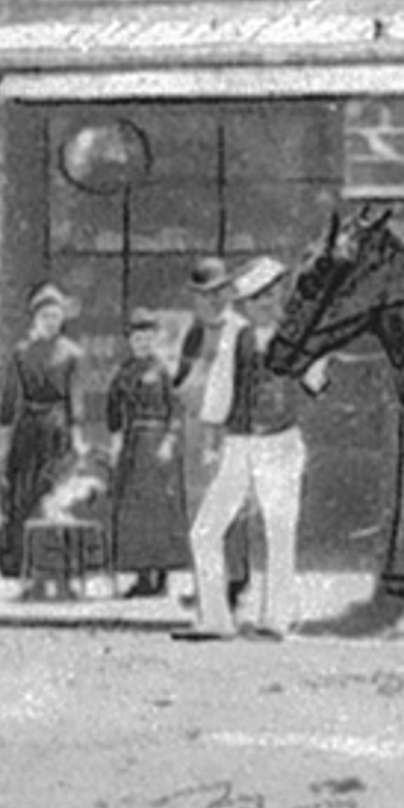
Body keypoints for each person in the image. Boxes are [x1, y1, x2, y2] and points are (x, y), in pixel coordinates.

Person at [177, 256, 324, 642]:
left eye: (270, 296)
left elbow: (317, 381)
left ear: (280, 297)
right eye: (255, 298)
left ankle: (276, 619)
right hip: (240, 444)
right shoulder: (235, 336)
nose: (264, 304)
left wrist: (314, 345)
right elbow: (221, 387)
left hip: (281, 443)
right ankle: (215, 619)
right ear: (244, 304)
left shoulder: (299, 335)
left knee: (278, 529)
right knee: (205, 531)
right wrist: (212, 437)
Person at [172, 256, 251, 612]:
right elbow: (181, 376)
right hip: (195, 427)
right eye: (204, 295)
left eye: (218, 293)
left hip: (228, 428)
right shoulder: (194, 331)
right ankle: (206, 583)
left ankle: (233, 583)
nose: (212, 300)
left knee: (230, 506)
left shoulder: (239, 331)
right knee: (199, 507)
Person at [0, 282, 89, 585]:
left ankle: (53, 561)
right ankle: (18, 560)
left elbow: (76, 397)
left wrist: (77, 435)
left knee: (53, 492)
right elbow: (9, 399)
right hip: (28, 426)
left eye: (55, 315)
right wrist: (4, 442)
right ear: (35, 318)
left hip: (57, 425)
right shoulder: (21, 353)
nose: (51, 321)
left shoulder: (72, 354)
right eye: (45, 315)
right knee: (21, 493)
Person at [105, 310, 187, 598]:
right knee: (135, 512)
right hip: (132, 445)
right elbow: (113, 413)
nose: (142, 343)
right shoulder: (123, 373)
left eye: (147, 338)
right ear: (130, 341)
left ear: (154, 340)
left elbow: (176, 410)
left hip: (157, 445)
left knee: (159, 511)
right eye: (136, 338)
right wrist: (115, 444)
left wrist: (169, 440)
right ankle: (141, 577)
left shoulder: (162, 370)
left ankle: (161, 576)